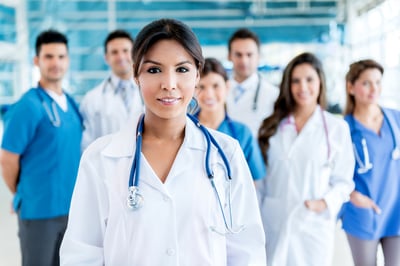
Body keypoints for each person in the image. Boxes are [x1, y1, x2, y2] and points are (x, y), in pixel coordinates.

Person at [60, 18, 266, 265]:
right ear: (137, 74)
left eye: (182, 69)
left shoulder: (226, 154)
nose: (169, 84)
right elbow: (82, 254)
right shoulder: (100, 158)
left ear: (197, 74)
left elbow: (246, 252)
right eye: (154, 70)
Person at [257, 52, 355, 266]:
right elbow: (261, 180)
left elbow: (344, 181)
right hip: (273, 220)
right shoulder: (271, 127)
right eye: (296, 81)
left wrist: (324, 203)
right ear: (287, 85)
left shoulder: (336, 129)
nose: (303, 87)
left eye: (309, 79)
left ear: (320, 82)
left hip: (312, 225)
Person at [0, 30, 82, 266]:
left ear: (67, 60)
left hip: (70, 210)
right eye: (48, 56)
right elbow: (7, 158)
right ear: (36, 61)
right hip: (39, 212)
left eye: (60, 56)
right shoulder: (28, 105)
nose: (55, 63)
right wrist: (23, 191)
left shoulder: (71, 103)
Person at [340, 59, 400, 266]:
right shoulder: (342, 129)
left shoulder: (396, 119)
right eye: (366, 83)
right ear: (351, 87)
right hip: (363, 212)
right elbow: (331, 173)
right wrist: (351, 194)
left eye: (378, 82)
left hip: (395, 209)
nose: (374, 89)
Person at [194, 57, 265, 181]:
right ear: (194, 90)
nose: (209, 94)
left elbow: (253, 182)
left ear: (227, 87)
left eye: (216, 86)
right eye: (201, 87)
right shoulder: (183, 129)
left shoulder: (242, 133)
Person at [79, 29, 144, 151]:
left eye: (125, 51)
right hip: (106, 167)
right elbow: (87, 144)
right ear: (106, 58)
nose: (121, 57)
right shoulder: (92, 98)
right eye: (114, 52)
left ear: (135, 54)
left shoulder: (148, 92)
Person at [226, 28, 279, 137]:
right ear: (229, 56)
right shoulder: (218, 91)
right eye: (238, 55)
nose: (244, 61)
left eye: (249, 55)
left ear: (259, 57)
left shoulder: (273, 94)